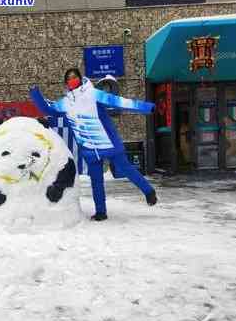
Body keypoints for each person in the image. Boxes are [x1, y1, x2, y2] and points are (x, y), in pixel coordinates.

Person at [30, 68, 157, 221]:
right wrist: (35, 93)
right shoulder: (66, 103)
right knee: (96, 181)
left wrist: (146, 107)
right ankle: (101, 212)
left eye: (74, 77)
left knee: (127, 169)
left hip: (109, 144)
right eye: (69, 78)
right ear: (66, 83)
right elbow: (48, 109)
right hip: (89, 149)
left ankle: (149, 191)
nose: (72, 80)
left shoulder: (93, 93)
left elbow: (119, 102)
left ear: (80, 78)